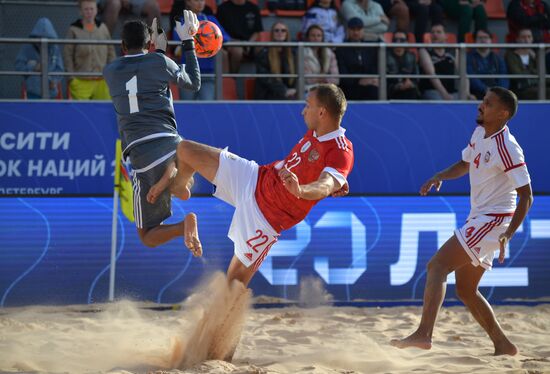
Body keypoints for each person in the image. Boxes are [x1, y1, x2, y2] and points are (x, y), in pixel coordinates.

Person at [391, 86, 532, 356]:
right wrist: (439, 176)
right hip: (482, 216)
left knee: (437, 266)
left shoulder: (508, 148)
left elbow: (526, 196)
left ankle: (424, 334)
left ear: (503, 113)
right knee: (466, 290)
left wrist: (508, 234)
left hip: (495, 218)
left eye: (488, 104)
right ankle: (503, 345)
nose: (481, 106)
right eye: (483, 101)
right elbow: (465, 164)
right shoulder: (480, 133)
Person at [168, 83, 353, 288]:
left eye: (307, 105)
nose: (303, 111)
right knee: (185, 149)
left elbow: (325, 185)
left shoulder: (341, 151)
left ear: (321, 112)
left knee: (232, 287)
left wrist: (300, 190)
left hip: (267, 217)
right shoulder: (317, 131)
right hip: (255, 177)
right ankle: (177, 189)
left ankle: (218, 320)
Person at [102, 12, 202, 253]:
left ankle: (179, 219)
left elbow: (138, 72)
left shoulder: (110, 71)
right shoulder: (160, 62)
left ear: (122, 45)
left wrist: (156, 53)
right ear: (149, 43)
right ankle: (173, 174)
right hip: (169, 141)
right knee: (187, 178)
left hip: (141, 152)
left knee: (147, 235)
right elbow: (193, 83)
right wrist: (187, 41)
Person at [173, 0, 231, 100]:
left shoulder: (211, 19)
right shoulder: (181, 21)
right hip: (187, 73)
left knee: (207, 107)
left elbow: (224, 38)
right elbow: (177, 41)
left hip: (208, 73)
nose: (200, 3)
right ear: (188, 2)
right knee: (187, 109)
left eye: (202, 0)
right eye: (196, 0)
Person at [64, 0, 116, 100]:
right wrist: (71, 79)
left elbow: (111, 53)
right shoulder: (73, 29)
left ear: (96, 10)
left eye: (92, 9)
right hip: (80, 81)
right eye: (86, 9)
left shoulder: (103, 28)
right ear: (80, 11)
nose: (89, 12)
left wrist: (111, 75)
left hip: (102, 81)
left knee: (103, 112)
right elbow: (67, 55)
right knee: (82, 113)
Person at [419, 23, 473, 100]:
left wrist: (467, 93)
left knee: (468, 100)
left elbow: (462, 73)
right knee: (440, 102)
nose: (435, 34)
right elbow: (432, 75)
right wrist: (445, 95)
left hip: (452, 92)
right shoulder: (424, 51)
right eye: (432, 32)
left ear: (445, 36)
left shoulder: (453, 51)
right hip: (433, 91)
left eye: (438, 32)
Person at [15, 18, 64, 99]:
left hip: (51, 92)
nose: (43, 40)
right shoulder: (28, 46)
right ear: (35, 36)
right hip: (33, 92)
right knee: (33, 111)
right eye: (39, 37)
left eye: (47, 37)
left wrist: (54, 80)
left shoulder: (54, 47)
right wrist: (33, 67)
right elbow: (18, 65)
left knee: (50, 112)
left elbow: (60, 69)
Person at [336, 18, 379, 100]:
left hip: (369, 85)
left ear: (363, 31)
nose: (356, 32)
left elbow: (374, 67)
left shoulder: (371, 48)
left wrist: (371, 79)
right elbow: (342, 73)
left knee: (375, 90)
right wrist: (359, 81)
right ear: (348, 30)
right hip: (350, 87)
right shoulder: (341, 49)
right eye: (353, 29)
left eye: (358, 29)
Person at [216, 0, 263, 73]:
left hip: (250, 42)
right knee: (237, 51)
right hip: (230, 42)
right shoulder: (223, 8)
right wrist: (234, 42)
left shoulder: (253, 8)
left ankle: (261, 77)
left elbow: (257, 31)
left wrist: (249, 44)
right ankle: (232, 79)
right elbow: (219, 31)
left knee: (262, 50)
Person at [254, 22, 297, 100]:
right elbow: (265, 78)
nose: (280, 33)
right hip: (268, 94)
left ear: (287, 34)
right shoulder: (263, 53)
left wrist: (294, 90)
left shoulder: (293, 53)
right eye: (276, 30)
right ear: (272, 34)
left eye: (283, 30)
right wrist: (284, 91)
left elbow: (297, 75)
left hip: (289, 93)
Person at [505, 28, 550, 99]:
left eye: (529, 37)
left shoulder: (536, 55)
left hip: (536, 87)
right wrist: (534, 75)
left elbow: (543, 74)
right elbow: (518, 75)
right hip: (520, 89)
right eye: (523, 37)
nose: (526, 40)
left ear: (532, 39)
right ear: (518, 39)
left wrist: (536, 59)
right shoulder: (511, 55)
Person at [467, 29, 508, 100]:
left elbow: (504, 76)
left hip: (497, 94)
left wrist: (499, 91)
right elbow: (472, 78)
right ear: (475, 41)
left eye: (486, 37)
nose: (483, 40)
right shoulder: (468, 58)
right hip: (477, 93)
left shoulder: (498, 59)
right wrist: (486, 90)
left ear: (491, 40)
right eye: (480, 38)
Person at [303, 24, 340, 92]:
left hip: (327, 89)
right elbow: (308, 80)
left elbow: (336, 79)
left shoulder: (330, 53)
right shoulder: (303, 53)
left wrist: (322, 79)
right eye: (313, 35)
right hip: (309, 89)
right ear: (308, 37)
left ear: (322, 38)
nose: (316, 38)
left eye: (319, 35)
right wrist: (326, 78)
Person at [387, 30, 420, 99]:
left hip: (409, 89)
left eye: (402, 40)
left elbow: (416, 77)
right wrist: (397, 86)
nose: (398, 42)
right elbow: (384, 79)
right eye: (395, 40)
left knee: (411, 91)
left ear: (407, 42)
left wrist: (411, 83)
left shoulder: (411, 56)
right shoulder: (385, 56)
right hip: (392, 91)